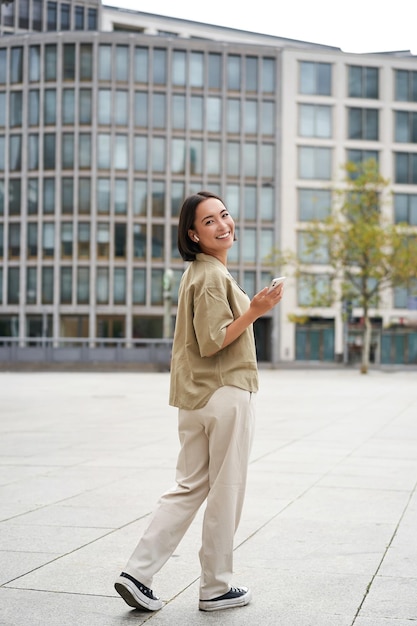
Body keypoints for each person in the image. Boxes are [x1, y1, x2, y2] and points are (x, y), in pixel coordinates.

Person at [114, 191, 284, 612]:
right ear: (193, 233)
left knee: (188, 487)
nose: (223, 224)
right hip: (224, 393)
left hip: (196, 397)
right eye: (209, 221)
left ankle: (137, 573)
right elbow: (212, 342)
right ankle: (215, 587)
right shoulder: (210, 276)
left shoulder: (198, 273)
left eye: (224, 215)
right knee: (225, 489)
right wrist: (256, 309)